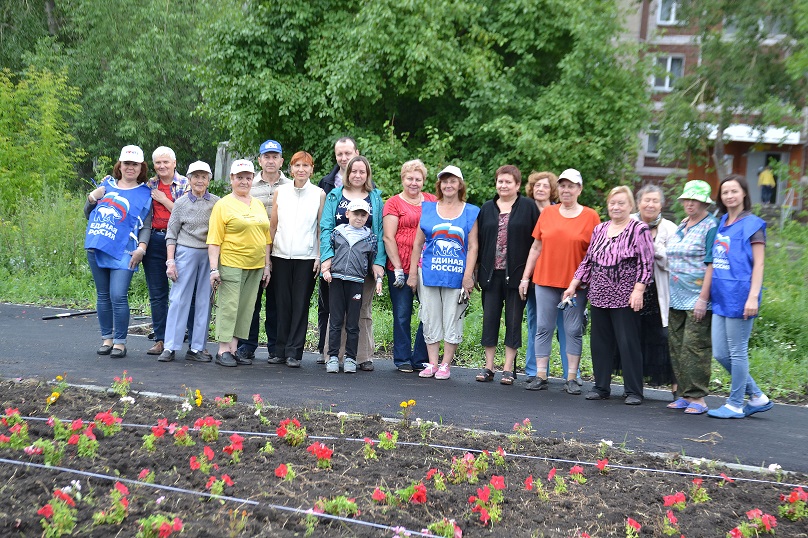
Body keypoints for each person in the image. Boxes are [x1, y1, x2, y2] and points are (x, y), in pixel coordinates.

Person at [563, 185, 654, 405]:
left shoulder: (639, 229)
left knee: (627, 343)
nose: (616, 207)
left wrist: (638, 290)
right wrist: (573, 285)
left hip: (626, 296)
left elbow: (646, 262)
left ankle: (633, 391)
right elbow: (588, 261)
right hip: (600, 294)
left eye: (621, 203)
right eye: (612, 203)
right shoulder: (600, 229)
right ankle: (601, 386)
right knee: (600, 343)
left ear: (630, 205)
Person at [520, 169, 600, 393]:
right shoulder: (548, 213)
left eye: (571, 186)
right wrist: (526, 277)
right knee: (543, 327)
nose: (566, 190)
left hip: (575, 285)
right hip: (545, 280)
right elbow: (536, 247)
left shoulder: (591, 216)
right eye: (563, 185)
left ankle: (572, 378)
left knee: (573, 329)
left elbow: (594, 253)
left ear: (579, 189)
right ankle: (541, 375)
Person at [707, 174, 773, 419]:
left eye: (734, 191)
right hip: (721, 296)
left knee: (737, 351)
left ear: (744, 193)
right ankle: (757, 396)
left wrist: (753, 296)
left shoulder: (753, 224)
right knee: (720, 353)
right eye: (725, 192)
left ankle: (735, 404)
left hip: (741, 296)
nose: (729, 196)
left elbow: (759, 265)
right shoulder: (722, 220)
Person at [407, 165, 479, 380]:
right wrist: (412, 274)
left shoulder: (470, 211)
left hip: (457, 276)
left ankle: (446, 365)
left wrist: (468, 276)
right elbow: (417, 244)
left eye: (453, 181)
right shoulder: (428, 209)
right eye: (445, 181)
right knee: (430, 317)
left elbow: (473, 246)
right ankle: (432, 363)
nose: (448, 185)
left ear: (460, 185)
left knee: (452, 318)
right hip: (428, 273)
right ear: (440, 185)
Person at [84, 145, 153, 359]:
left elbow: (146, 225)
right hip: (98, 247)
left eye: (135, 164)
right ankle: (107, 339)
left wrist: (142, 248)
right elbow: (88, 215)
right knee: (103, 296)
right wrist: (91, 198)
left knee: (118, 295)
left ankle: (120, 342)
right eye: (126, 163)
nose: (130, 168)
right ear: (120, 165)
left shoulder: (145, 194)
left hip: (126, 251)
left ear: (141, 167)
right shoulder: (106, 186)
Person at [320, 155, 385, 371]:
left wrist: (378, 262)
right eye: (353, 171)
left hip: (363, 265)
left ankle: (361, 357)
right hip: (337, 265)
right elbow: (326, 228)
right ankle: (333, 356)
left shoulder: (375, 197)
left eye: (362, 171)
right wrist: (327, 257)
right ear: (347, 173)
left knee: (362, 310)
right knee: (336, 312)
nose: (357, 175)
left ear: (367, 174)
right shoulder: (335, 195)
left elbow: (379, 232)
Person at [475, 165, 539, 385]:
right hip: (491, 275)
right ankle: (488, 367)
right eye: (500, 181)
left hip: (518, 276)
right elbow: (479, 242)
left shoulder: (529, 207)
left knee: (513, 321)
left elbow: (536, 243)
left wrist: (529, 276)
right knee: (490, 319)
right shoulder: (487, 208)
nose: (503, 185)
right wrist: (475, 270)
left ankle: (508, 369)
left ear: (518, 185)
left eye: (508, 182)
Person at [207, 159, 271, 367]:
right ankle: (222, 350)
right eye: (239, 177)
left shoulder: (258, 204)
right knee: (229, 306)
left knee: (245, 308)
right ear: (232, 179)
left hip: (255, 264)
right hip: (231, 262)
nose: (244, 181)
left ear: (253, 179)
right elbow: (214, 239)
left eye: (248, 178)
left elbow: (266, 238)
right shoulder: (223, 204)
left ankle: (234, 349)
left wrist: (266, 264)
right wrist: (214, 269)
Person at [158, 161, 220, 363]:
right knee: (179, 299)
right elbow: (171, 234)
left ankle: (197, 348)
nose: (200, 180)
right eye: (196, 176)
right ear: (189, 179)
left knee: (204, 300)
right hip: (185, 252)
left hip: (209, 254)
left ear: (209, 180)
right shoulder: (181, 203)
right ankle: (170, 346)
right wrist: (170, 261)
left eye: (204, 176)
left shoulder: (217, 203)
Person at [269, 151, 325, 367]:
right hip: (280, 255)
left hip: (307, 258)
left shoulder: (319, 194)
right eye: (297, 165)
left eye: (306, 165)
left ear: (312, 169)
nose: (301, 169)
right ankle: (280, 350)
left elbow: (321, 228)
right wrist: (268, 258)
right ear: (291, 169)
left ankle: (294, 352)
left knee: (300, 305)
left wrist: (319, 256)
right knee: (282, 304)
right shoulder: (280, 192)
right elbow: (273, 226)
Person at [236, 140, 290, 364]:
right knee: (251, 301)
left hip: (282, 249)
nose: (270, 160)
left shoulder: (289, 186)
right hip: (253, 250)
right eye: (266, 156)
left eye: (274, 156)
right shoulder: (250, 184)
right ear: (259, 160)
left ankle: (276, 348)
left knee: (277, 302)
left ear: (281, 161)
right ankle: (247, 345)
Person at [666, 180, 718, 415]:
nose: (689, 203)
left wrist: (703, 298)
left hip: (697, 296)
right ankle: (684, 394)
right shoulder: (683, 224)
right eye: (687, 199)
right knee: (677, 345)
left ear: (704, 202)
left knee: (694, 346)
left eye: (694, 200)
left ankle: (698, 398)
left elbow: (711, 264)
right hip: (675, 295)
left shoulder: (710, 226)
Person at [383, 160, 436, 373]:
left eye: (418, 179)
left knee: (429, 313)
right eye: (410, 178)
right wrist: (397, 267)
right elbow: (388, 237)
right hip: (400, 265)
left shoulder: (432, 201)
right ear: (402, 179)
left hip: (427, 265)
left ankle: (421, 357)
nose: (414, 183)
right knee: (403, 313)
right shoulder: (394, 203)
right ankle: (403, 358)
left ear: (423, 181)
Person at [317, 137, 360, 360]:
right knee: (327, 306)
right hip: (331, 255)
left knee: (356, 312)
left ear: (356, 153)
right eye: (339, 154)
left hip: (356, 258)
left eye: (347, 153)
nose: (343, 158)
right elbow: (322, 224)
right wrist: (324, 255)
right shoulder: (326, 183)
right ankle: (326, 352)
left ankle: (355, 356)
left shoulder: (366, 183)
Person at [143, 147, 189, 356]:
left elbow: (187, 213)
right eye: (158, 163)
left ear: (174, 163)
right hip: (154, 239)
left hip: (180, 242)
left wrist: (163, 199)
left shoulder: (185, 184)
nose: (162, 166)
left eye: (166, 162)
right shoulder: (149, 185)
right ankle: (160, 339)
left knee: (182, 291)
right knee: (157, 293)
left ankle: (185, 337)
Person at [632, 184, 678, 390]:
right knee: (633, 336)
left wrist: (655, 248)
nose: (650, 204)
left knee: (662, 338)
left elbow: (675, 262)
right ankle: (633, 386)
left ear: (661, 204)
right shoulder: (629, 222)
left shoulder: (670, 228)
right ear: (638, 202)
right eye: (646, 200)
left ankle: (675, 389)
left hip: (659, 291)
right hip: (631, 290)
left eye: (655, 201)